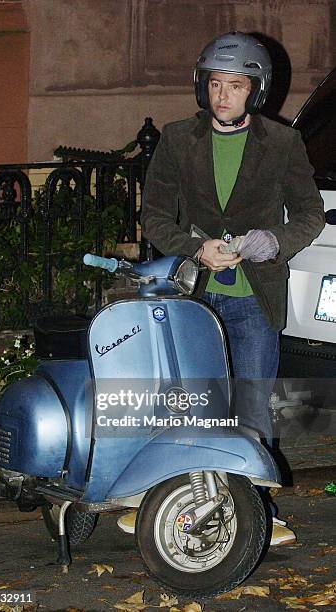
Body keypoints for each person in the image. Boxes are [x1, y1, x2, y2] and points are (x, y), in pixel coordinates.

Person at [117, 32, 325, 545]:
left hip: (254, 299)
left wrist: (268, 242)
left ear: (256, 91)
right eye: (215, 84)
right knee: (189, 403)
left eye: (235, 85)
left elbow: (310, 215)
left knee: (252, 405)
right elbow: (155, 215)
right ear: (201, 88)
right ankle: (161, 497)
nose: (223, 95)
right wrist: (194, 247)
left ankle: (256, 509)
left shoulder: (283, 143)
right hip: (194, 297)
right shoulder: (176, 138)